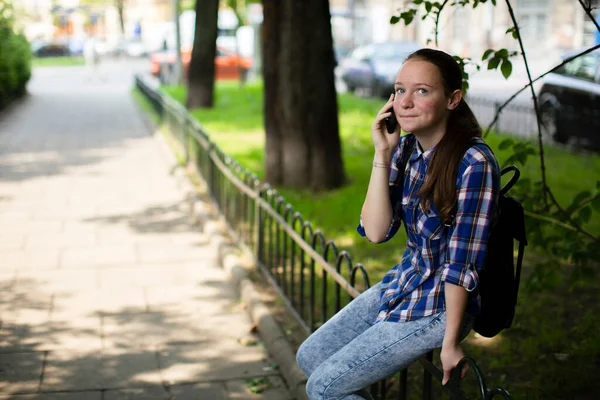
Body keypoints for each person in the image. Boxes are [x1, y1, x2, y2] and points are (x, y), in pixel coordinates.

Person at [295, 48, 501, 400]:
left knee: (325, 388)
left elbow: (460, 265)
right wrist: (383, 153)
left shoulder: (473, 163)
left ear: (453, 99)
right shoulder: (406, 149)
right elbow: (375, 232)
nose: (405, 102)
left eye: (422, 91)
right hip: (406, 283)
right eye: (399, 89)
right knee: (309, 356)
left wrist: (450, 342)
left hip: (440, 307)